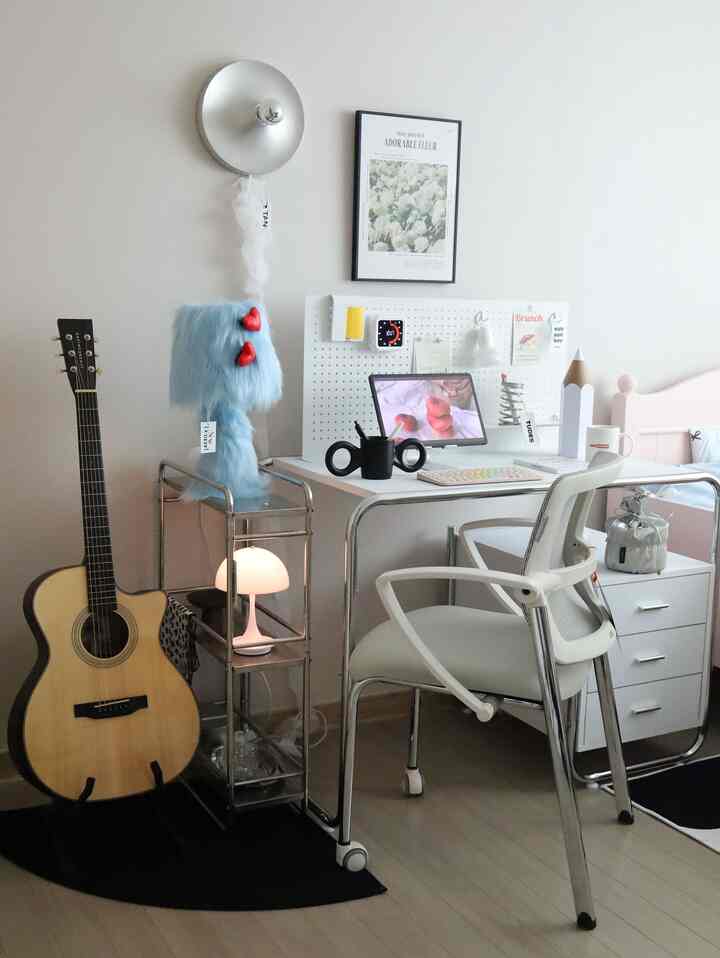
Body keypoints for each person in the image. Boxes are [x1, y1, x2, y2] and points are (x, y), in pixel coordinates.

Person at [377, 377, 482, 441]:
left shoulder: (467, 418)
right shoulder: (391, 401)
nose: (452, 392)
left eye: (459, 388)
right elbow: (386, 400)